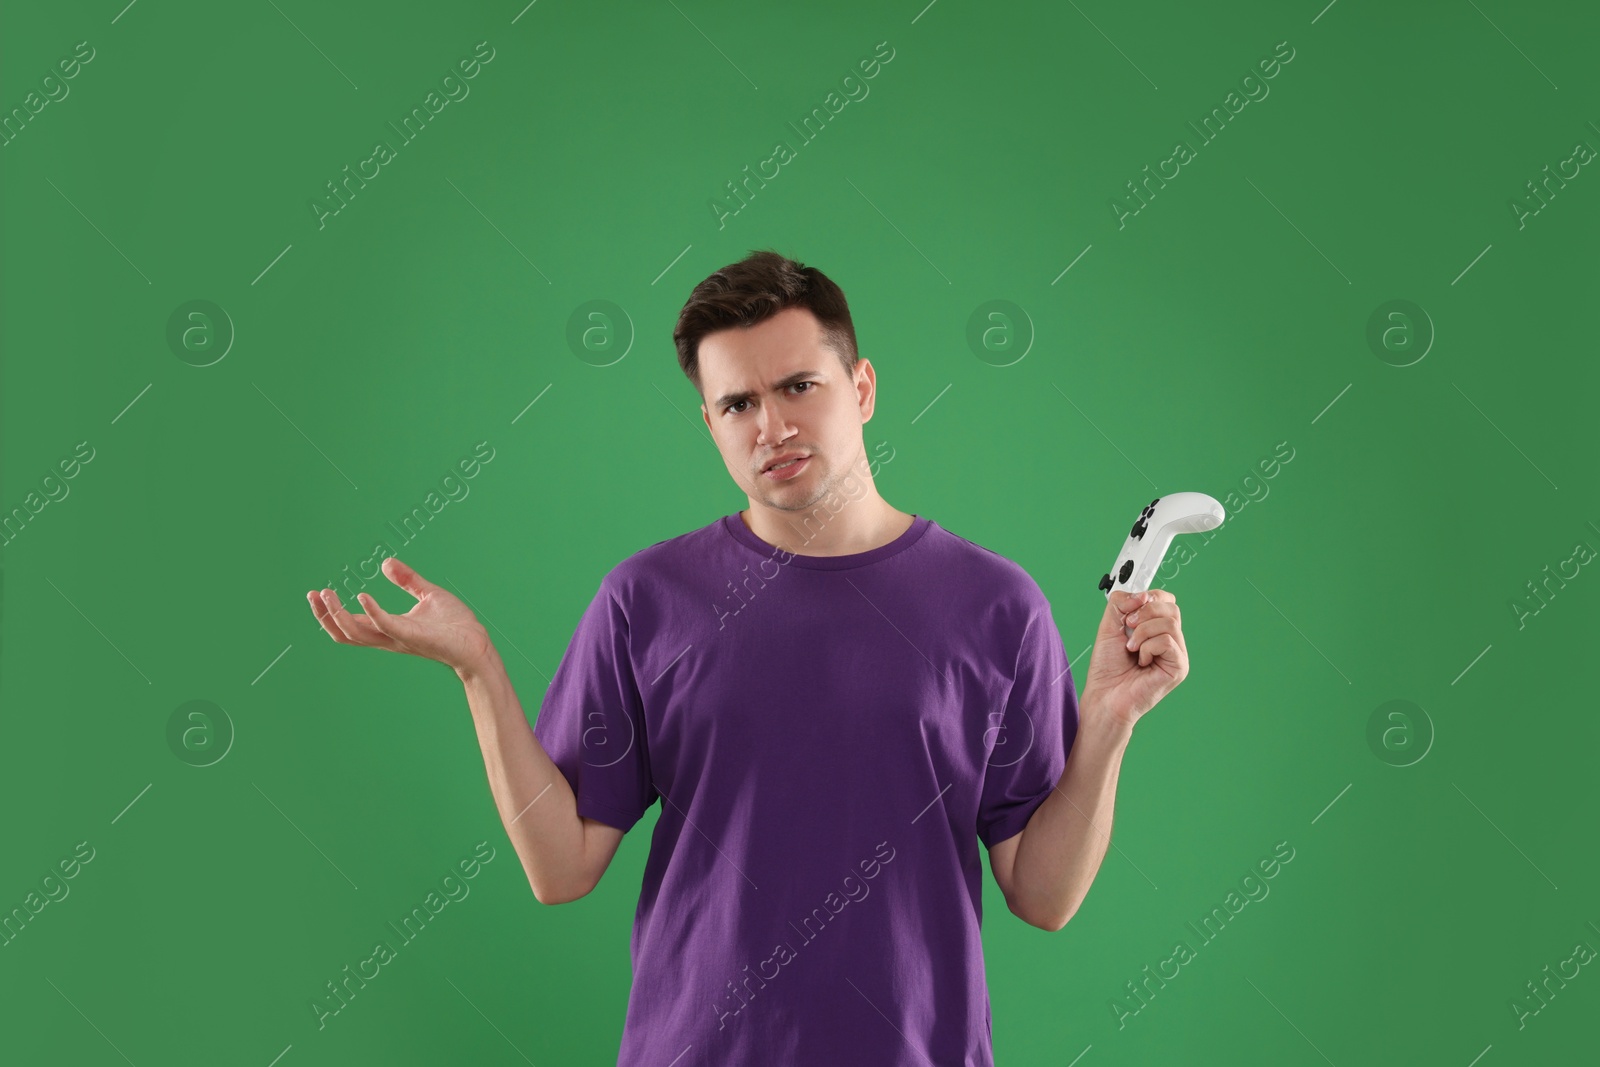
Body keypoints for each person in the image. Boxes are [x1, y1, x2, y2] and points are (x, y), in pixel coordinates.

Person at [306, 250, 1191, 1065]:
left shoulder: (996, 606)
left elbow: (1042, 893)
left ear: (864, 386)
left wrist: (1108, 722)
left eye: (800, 385)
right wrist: (478, 668)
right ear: (709, 420)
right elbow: (561, 865)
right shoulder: (647, 599)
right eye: (738, 403)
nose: (772, 425)